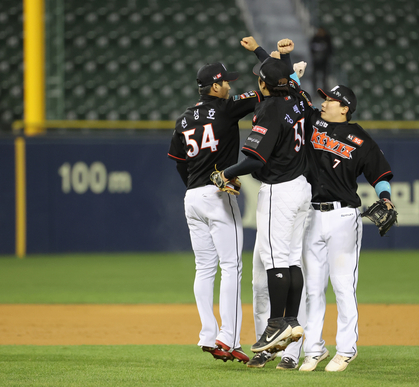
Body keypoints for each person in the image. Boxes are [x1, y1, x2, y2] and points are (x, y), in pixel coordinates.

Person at [213, 57, 311, 366]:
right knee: (292, 259)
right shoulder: (297, 99)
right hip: (301, 186)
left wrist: (226, 173)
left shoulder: (270, 110)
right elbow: (288, 81)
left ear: (263, 84)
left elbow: (255, 160)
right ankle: (292, 319)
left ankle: (275, 325)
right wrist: (263, 53)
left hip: (279, 190)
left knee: (276, 259)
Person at [167, 62, 263, 364]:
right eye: (227, 83)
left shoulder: (183, 119)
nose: (231, 87)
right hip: (217, 195)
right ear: (215, 86)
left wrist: (195, 186)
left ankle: (208, 334)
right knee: (231, 266)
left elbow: (179, 161)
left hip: (192, 197)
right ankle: (228, 337)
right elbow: (262, 94)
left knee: (204, 268)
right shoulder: (225, 108)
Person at [298, 84, 395, 372]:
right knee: (312, 288)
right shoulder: (312, 120)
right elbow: (291, 91)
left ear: (345, 108)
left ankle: (346, 349)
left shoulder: (360, 139)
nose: (325, 102)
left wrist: (386, 198)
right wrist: (287, 64)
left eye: (332, 99)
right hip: (311, 216)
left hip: (343, 217)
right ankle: (314, 349)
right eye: (325, 98)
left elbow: (380, 173)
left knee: (342, 286)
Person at [309, 27, 333, 91]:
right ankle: (315, 90)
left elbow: (330, 50)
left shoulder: (327, 39)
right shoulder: (315, 39)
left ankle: (325, 89)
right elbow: (311, 49)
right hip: (316, 60)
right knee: (315, 76)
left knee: (324, 77)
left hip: (324, 61)